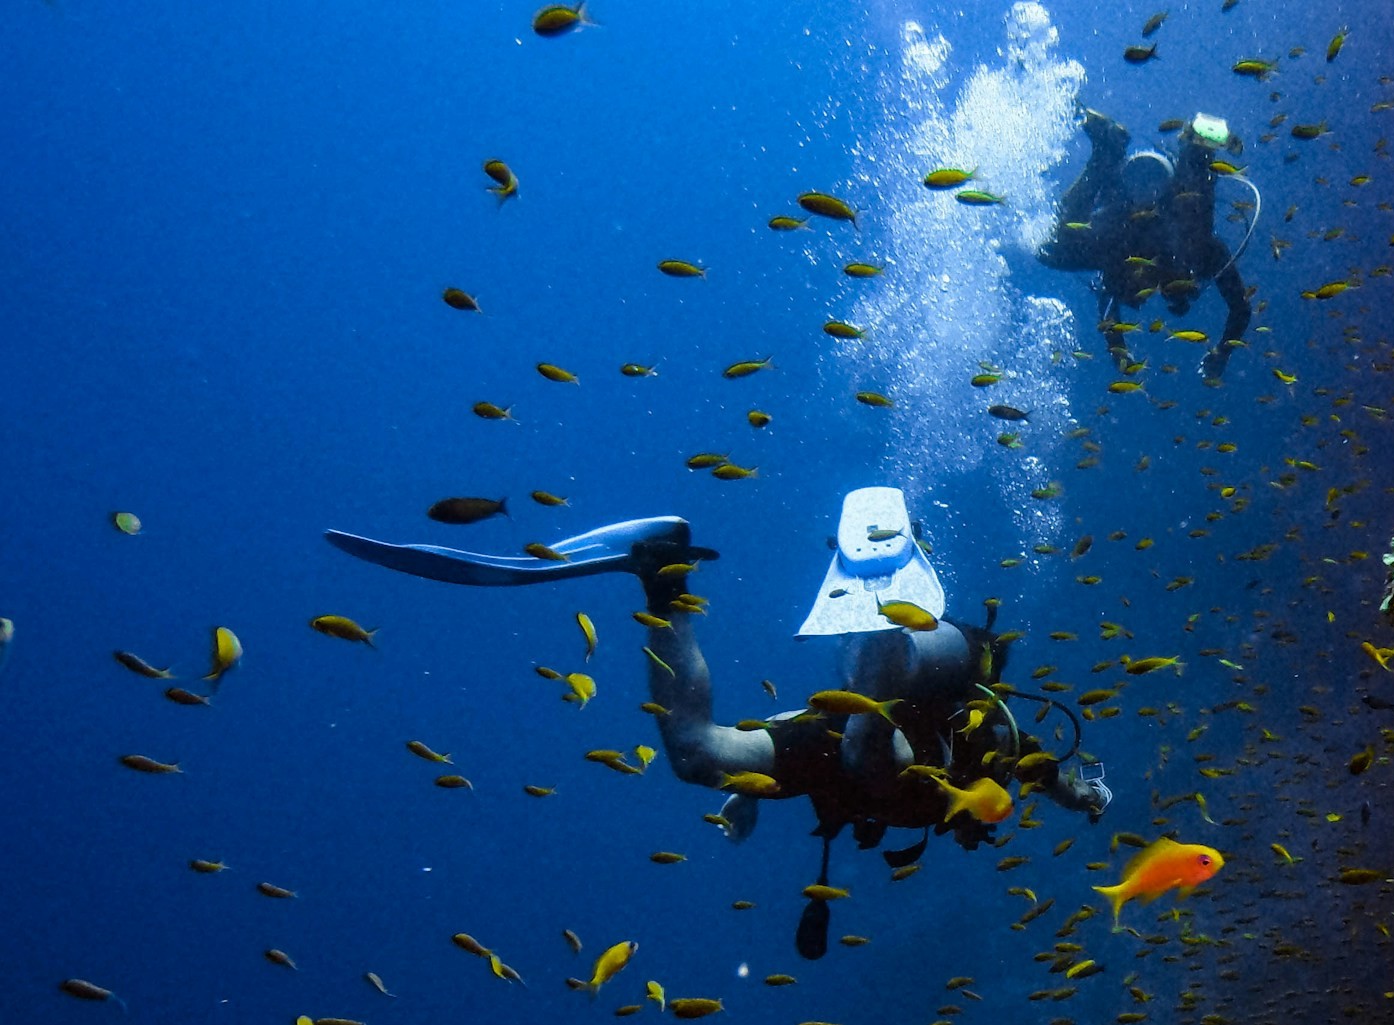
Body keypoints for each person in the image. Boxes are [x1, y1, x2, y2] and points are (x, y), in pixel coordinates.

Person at [325, 487, 1110, 958]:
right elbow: (1037, 766)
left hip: (842, 747)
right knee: (871, 746)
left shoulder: (988, 753)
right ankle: (887, 620)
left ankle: (663, 574)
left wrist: (749, 777)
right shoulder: (1001, 750)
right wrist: (1080, 794)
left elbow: (825, 726)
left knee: (698, 754)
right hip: (890, 748)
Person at [1037, 108, 1257, 381]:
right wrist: (1221, 353)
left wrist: (1119, 351)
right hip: (1141, 209)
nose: (1144, 287)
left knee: (1052, 251)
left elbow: (1108, 305)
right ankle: (1196, 154)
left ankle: (1111, 155)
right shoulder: (1201, 256)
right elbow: (1240, 307)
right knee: (1051, 251)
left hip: (1129, 212)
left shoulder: (1125, 260)